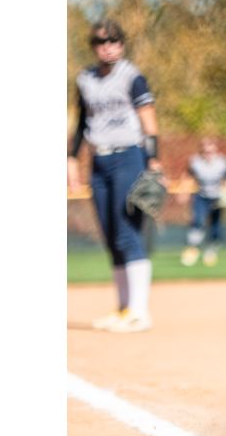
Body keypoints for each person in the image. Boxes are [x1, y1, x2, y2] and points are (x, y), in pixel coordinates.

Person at [68, 19, 161, 333]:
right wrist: (71, 159)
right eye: (100, 42)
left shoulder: (132, 76)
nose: (107, 47)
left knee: (126, 232)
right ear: (93, 46)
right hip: (99, 160)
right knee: (110, 236)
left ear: (121, 44)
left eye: (113, 41)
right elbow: (82, 122)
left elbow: (148, 120)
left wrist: (154, 160)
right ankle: (123, 309)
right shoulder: (86, 79)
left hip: (129, 156)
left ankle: (139, 311)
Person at [179, 138, 226, 267]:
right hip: (201, 196)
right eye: (205, 152)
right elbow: (188, 176)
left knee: (215, 225)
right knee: (197, 221)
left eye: (211, 151)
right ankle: (192, 249)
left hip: (217, 197)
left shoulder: (222, 162)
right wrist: (183, 192)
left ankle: (211, 251)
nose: (208, 154)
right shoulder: (195, 162)